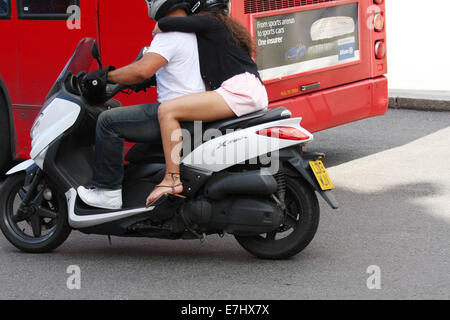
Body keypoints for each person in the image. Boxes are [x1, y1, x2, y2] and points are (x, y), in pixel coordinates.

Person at [77, 0, 206, 210]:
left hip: (175, 114)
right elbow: (174, 68)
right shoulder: (192, 29)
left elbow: (141, 71)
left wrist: (103, 76)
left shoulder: (169, 34)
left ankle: (107, 192)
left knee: (108, 121)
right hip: (195, 109)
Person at [145, 0, 268, 206]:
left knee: (168, 111)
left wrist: (160, 26)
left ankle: (172, 179)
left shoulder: (210, 23)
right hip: (248, 89)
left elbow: (171, 23)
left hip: (238, 90)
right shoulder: (223, 28)